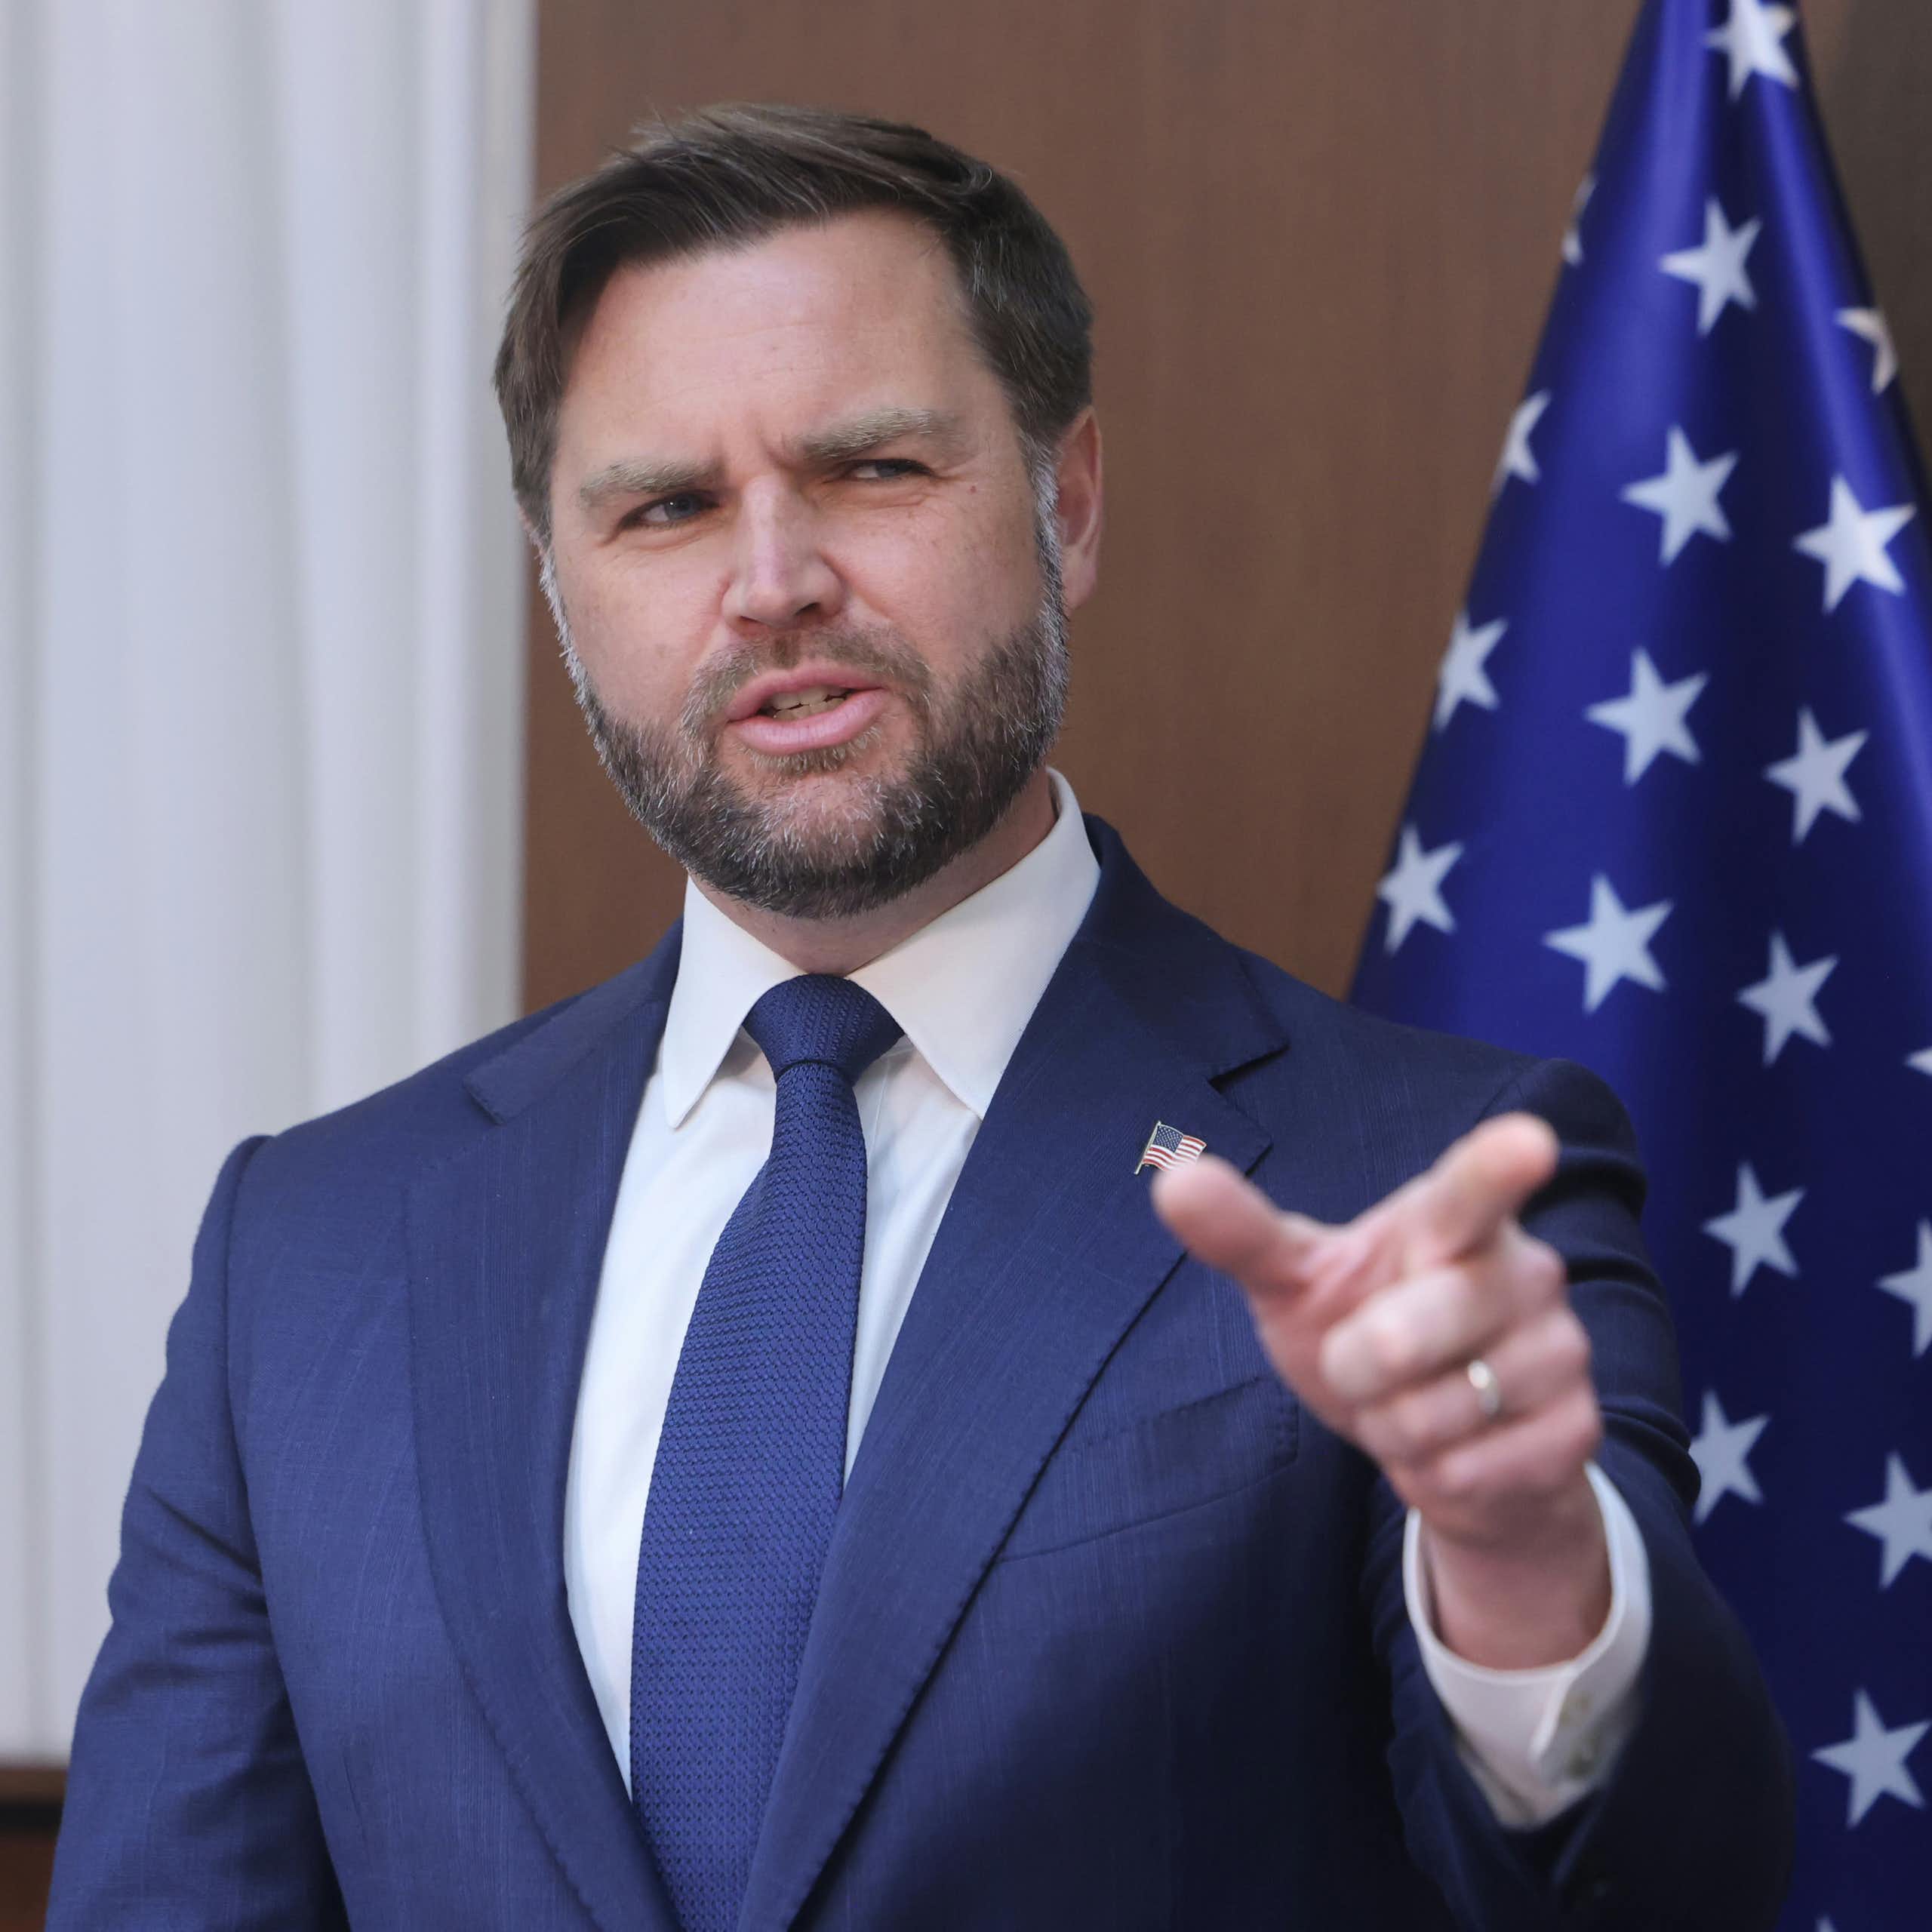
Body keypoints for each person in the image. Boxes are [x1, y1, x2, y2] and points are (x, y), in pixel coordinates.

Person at [46, 104, 1791, 1931]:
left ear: (1069, 501)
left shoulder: (1417, 1182)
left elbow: (1665, 1886)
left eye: (872, 467)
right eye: (665, 505)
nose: (774, 577)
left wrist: (1517, 1567)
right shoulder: (309, 1256)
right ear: (559, 586)